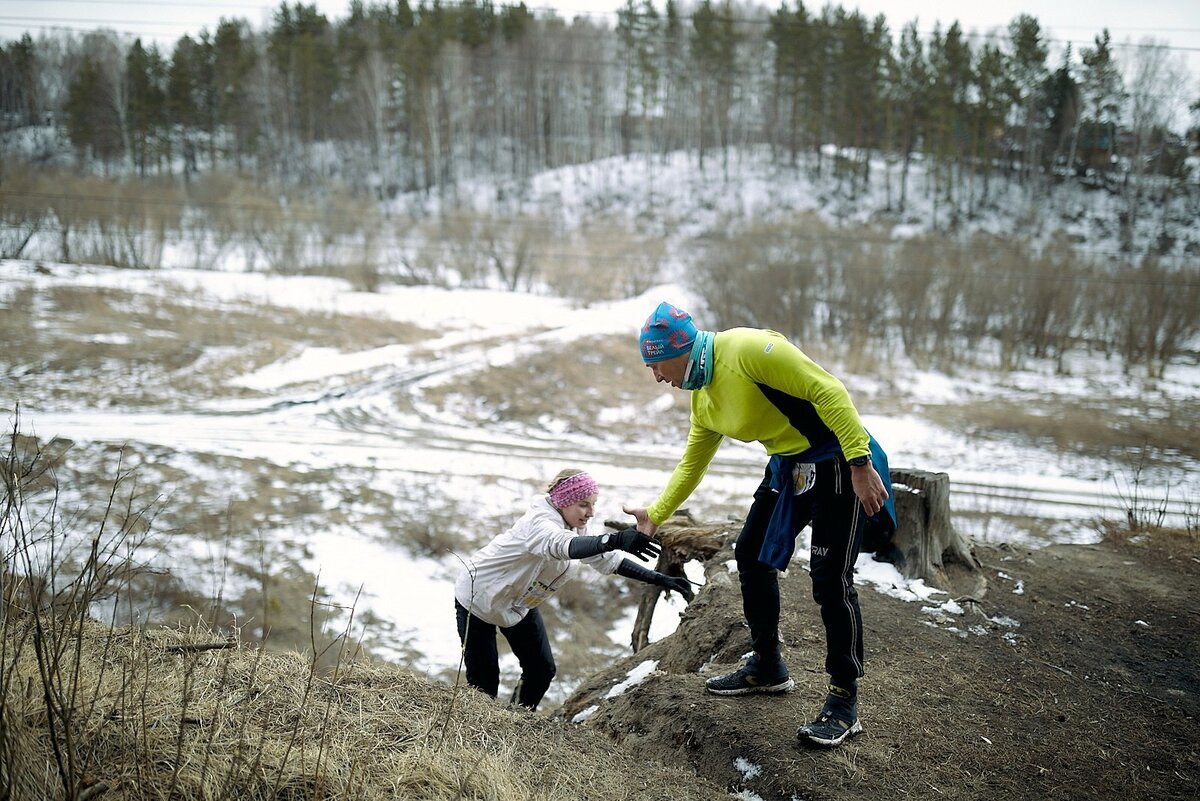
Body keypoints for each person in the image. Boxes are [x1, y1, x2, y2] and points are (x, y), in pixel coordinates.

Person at [623, 302, 896, 748]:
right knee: (750, 555)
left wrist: (860, 463)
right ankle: (768, 666)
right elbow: (692, 463)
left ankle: (844, 701)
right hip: (789, 467)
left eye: (655, 365)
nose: (656, 377)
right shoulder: (703, 398)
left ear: (680, 349)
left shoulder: (747, 349)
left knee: (830, 582)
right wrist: (656, 513)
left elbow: (830, 391)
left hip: (838, 461)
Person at [453, 468, 695, 711]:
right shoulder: (539, 523)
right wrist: (615, 539)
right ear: (564, 501)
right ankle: (479, 732)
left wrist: (660, 578)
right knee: (484, 683)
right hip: (479, 597)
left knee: (541, 670)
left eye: (593, 504)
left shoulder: (574, 526)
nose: (591, 513)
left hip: (518, 604)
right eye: (583, 505)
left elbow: (606, 559)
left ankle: (515, 722)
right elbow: (561, 546)